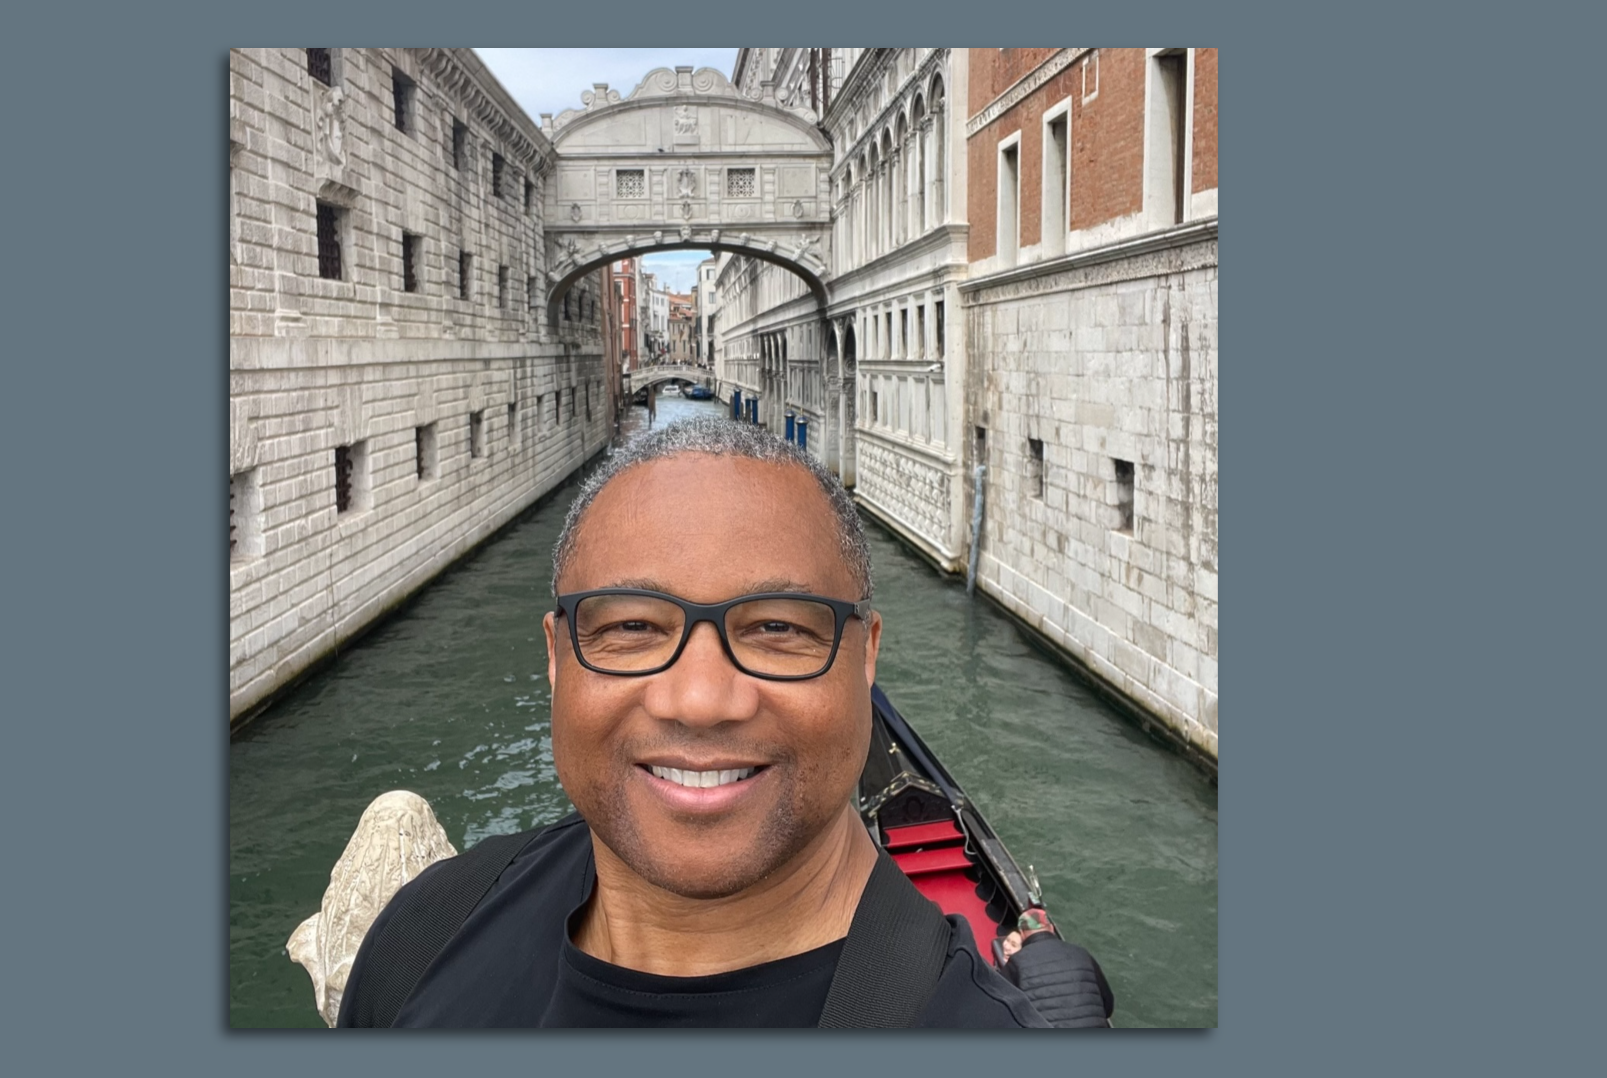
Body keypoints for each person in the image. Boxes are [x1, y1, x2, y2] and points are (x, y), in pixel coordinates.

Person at [340, 419, 1094, 1027]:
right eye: (632, 627)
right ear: (555, 658)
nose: (700, 700)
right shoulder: (421, 934)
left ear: (866, 657)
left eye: (778, 628)